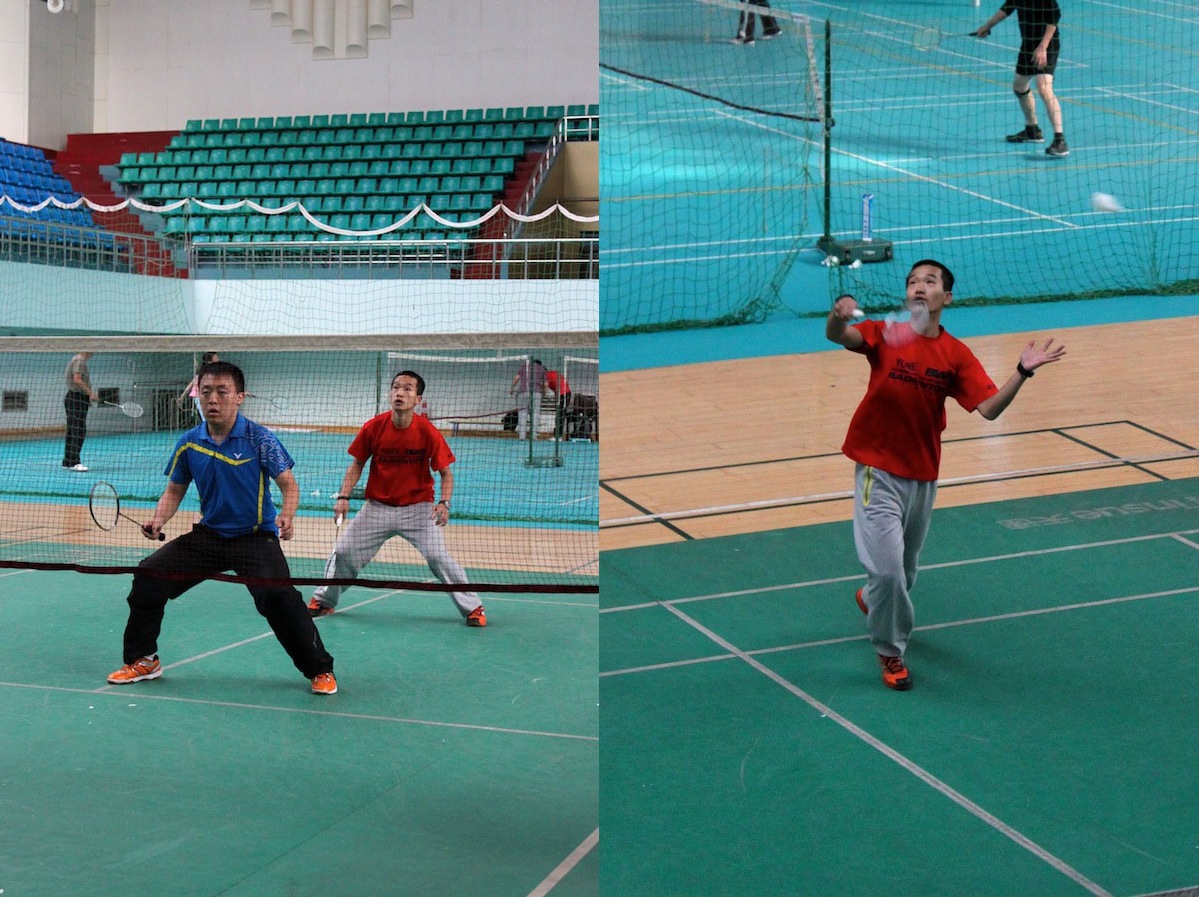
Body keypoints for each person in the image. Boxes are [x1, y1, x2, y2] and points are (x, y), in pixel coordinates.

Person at [825, 261, 1066, 690]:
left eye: (930, 281)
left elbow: (989, 409)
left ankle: (873, 599)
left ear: (946, 297)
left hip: (922, 475)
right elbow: (838, 336)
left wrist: (1022, 371)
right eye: (912, 282)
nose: (919, 287)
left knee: (904, 574)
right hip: (877, 470)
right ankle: (890, 652)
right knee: (888, 573)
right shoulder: (885, 334)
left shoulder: (955, 355)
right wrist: (837, 317)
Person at [106, 360, 338, 695]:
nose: (212, 399)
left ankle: (319, 669)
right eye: (206, 391)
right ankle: (144, 659)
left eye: (222, 392)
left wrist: (287, 515)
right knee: (148, 577)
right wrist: (158, 519)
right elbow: (174, 490)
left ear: (240, 397)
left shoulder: (259, 439)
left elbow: (289, 485)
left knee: (278, 597)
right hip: (209, 536)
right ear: (197, 395)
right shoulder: (190, 442)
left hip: (254, 537)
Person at [307, 370, 486, 628]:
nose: (399, 392)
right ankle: (324, 600)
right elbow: (357, 464)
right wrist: (343, 496)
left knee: (438, 557)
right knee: (343, 552)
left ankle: (473, 607)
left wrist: (444, 503)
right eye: (395, 387)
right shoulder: (374, 426)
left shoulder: (427, 431)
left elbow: (446, 474)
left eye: (407, 389)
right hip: (377, 508)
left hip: (418, 510)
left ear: (418, 399)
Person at [975, 0, 1068, 157]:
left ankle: (1060, 141)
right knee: (1019, 85)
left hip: (1047, 45)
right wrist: (987, 26)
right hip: (1028, 44)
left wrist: (1043, 47)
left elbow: (1054, 18)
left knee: (1044, 88)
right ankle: (1032, 130)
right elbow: (1006, 9)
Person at [63, 351, 98, 472]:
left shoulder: (77, 359)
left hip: (76, 398)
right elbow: (77, 379)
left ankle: (68, 461)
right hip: (76, 398)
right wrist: (91, 393)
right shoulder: (79, 360)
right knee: (78, 430)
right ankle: (74, 462)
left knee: (72, 430)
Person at [508, 356, 547, 441]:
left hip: (522, 392)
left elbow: (516, 378)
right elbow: (545, 384)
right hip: (536, 393)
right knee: (535, 414)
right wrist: (544, 394)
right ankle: (534, 436)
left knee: (522, 414)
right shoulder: (542, 369)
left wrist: (511, 389)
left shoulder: (524, 366)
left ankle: (522, 436)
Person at [177, 351, 219, 418]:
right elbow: (192, 383)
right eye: (216, 358)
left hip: (207, 396)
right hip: (199, 396)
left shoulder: (214, 372)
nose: (218, 359)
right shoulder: (204, 372)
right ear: (209, 361)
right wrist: (182, 397)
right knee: (205, 417)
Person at [545, 367, 572, 439]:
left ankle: (558, 436)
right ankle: (558, 435)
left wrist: (543, 395)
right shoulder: (554, 373)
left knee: (560, 415)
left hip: (563, 394)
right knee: (560, 415)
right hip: (566, 393)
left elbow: (545, 386)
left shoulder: (546, 376)